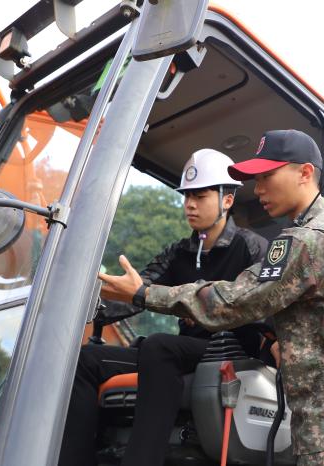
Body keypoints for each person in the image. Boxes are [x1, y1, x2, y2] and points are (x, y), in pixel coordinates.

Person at [100, 129, 324, 465]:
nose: (257, 190)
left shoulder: (309, 241)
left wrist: (142, 294)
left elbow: (235, 301)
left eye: (267, 176)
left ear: (305, 173)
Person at [59, 149, 268, 466]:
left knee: (159, 346)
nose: (190, 205)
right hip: (183, 350)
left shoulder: (252, 246)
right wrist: (93, 301)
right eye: (187, 197)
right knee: (86, 359)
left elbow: (262, 305)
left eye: (200, 195)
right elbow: (139, 289)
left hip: (231, 349)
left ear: (227, 200)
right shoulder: (179, 251)